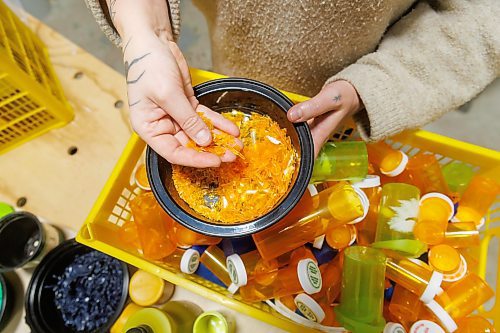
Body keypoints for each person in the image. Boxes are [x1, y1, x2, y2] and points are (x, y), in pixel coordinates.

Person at [85, 0, 499, 168]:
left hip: (360, 78)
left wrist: (373, 86)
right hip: (233, 43)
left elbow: (481, 19)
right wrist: (146, 34)